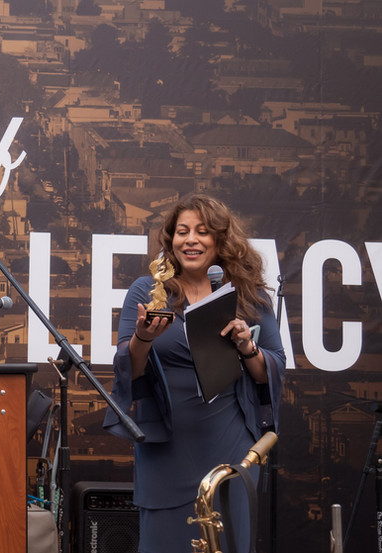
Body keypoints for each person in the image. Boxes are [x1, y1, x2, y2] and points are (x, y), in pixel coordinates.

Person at [103, 194, 286, 553]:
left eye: (202, 232)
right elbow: (129, 366)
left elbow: (272, 369)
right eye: (182, 232)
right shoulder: (148, 292)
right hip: (166, 448)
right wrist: (143, 338)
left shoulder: (250, 296)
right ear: (171, 241)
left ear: (220, 241)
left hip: (229, 443)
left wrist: (248, 348)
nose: (191, 240)